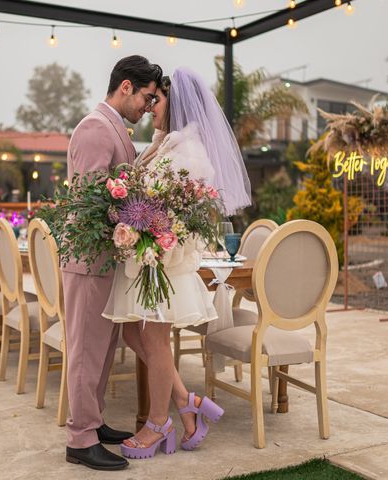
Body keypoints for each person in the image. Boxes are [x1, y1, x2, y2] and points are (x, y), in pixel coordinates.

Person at [102, 68, 252, 459]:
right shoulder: (163, 143)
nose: (151, 107)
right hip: (148, 259)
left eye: (157, 101)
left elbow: (179, 213)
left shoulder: (190, 152)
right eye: (150, 100)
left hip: (165, 262)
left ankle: (157, 424)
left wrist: (144, 226)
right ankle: (189, 404)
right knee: (135, 337)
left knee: (151, 339)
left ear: (177, 104)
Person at [62, 55, 163, 471]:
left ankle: (94, 421)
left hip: (106, 260)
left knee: (102, 349)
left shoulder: (114, 128)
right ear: (126, 86)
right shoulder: (94, 128)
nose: (148, 106)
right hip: (88, 260)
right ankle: (80, 439)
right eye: (146, 96)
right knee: (86, 351)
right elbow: (90, 199)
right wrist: (135, 220)